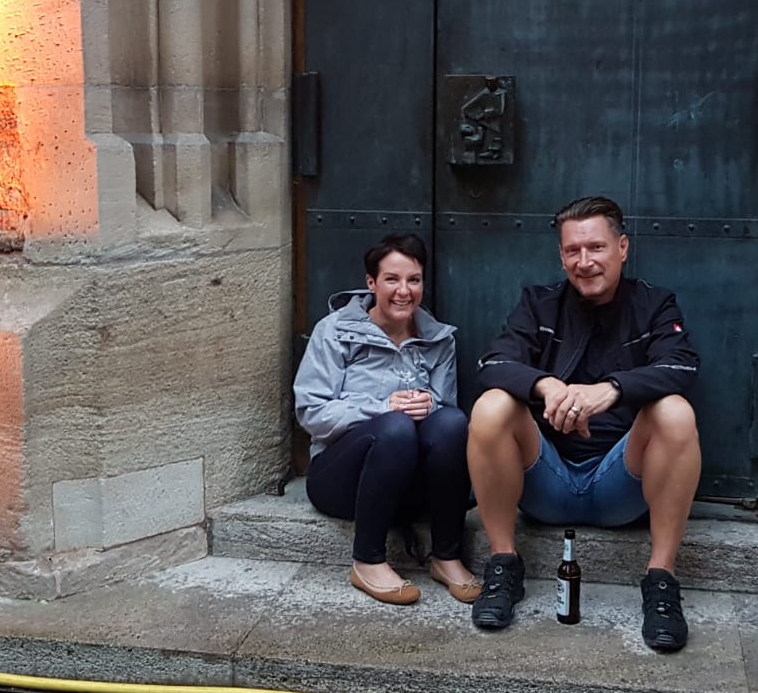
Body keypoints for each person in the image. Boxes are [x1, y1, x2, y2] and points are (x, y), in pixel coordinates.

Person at [466, 196, 702, 651]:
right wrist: (547, 386)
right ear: (561, 256)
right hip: (545, 481)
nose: (584, 261)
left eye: (596, 247)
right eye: (573, 250)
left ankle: (661, 581)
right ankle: (503, 564)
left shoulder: (654, 304)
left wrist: (610, 390)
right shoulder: (538, 304)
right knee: (492, 405)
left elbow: (682, 366)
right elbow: (493, 363)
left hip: (622, 484)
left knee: (675, 411)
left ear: (622, 248)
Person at [294, 235, 480, 606]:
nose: (404, 291)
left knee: (453, 421)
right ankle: (367, 561)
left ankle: (446, 557)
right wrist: (383, 407)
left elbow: (444, 411)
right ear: (371, 283)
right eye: (392, 279)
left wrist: (429, 405)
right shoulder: (335, 330)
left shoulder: (439, 339)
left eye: (414, 280)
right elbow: (312, 413)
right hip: (341, 483)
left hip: (412, 489)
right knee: (394, 427)